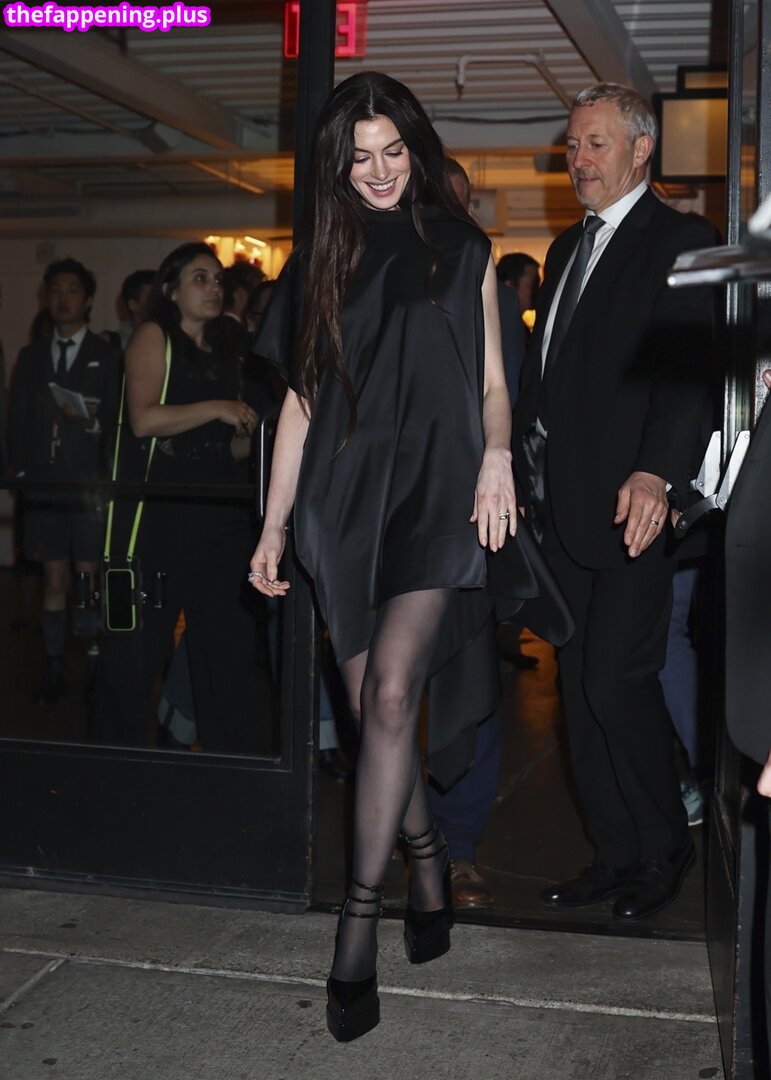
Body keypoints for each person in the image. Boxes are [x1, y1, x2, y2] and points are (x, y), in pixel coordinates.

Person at [249, 72, 570, 1042]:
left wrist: (498, 457)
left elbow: (492, 383)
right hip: (343, 501)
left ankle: (358, 923)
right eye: (360, 158)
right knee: (370, 715)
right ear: (337, 168)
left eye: (393, 152)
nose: (381, 171)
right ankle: (423, 854)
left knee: (392, 697)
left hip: (438, 490)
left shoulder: (463, 246)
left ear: (415, 151)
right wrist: (273, 525)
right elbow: (301, 402)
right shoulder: (322, 258)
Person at [512, 82, 714, 921]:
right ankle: (614, 854)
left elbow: (687, 373)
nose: (578, 159)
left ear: (640, 150)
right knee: (577, 689)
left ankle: (663, 848)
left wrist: (655, 474)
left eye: (595, 143)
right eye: (571, 145)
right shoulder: (565, 247)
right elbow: (551, 376)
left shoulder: (682, 240)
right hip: (564, 512)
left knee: (615, 680)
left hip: (637, 510)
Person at [92, 242, 274, 753]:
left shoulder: (228, 351)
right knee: (138, 650)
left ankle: (233, 766)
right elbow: (143, 419)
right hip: (161, 516)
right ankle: (117, 762)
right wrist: (219, 408)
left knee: (227, 650)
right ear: (171, 290)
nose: (214, 288)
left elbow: (225, 450)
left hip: (220, 516)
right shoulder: (154, 335)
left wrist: (257, 433)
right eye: (200, 278)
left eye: (217, 280)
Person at [7, 258, 119, 704]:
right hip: (45, 487)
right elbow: (16, 420)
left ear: (87, 299)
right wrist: (19, 473)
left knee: (87, 577)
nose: (63, 297)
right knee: (53, 578)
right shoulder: (31, 357)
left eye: (72, 289)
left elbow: (118, 423)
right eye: (55, 289)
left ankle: (94, 662)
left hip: (89, 487)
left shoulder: (107, 355)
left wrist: (93, 422)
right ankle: (53, 667)